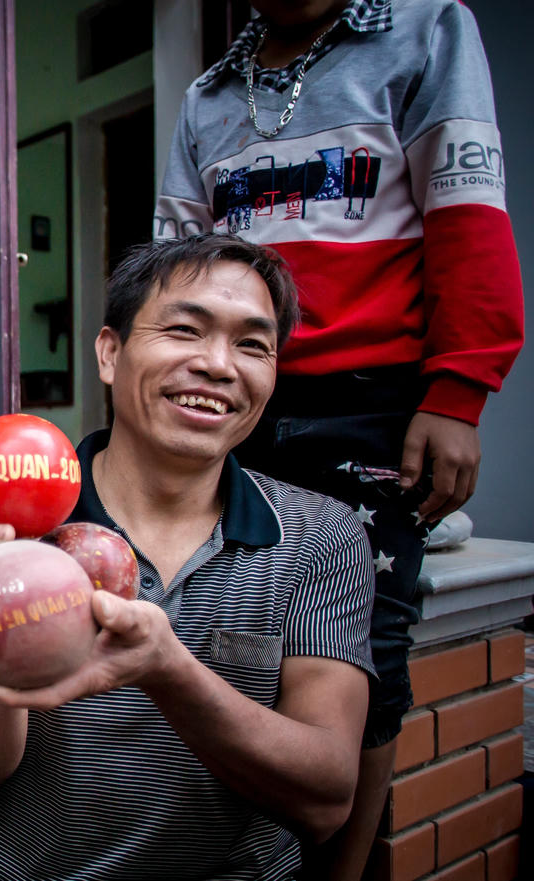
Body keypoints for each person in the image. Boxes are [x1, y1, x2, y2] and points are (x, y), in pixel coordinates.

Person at [152, 1, 523, 874]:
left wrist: (458, 393)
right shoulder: (207, 97)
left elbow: (467, 218)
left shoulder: (426, 32)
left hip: (373, 402)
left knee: (364, 647)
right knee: (233, 622)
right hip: (238, 397)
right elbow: (175, 270)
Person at [0, 234, 375, 879]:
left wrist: (168, 670)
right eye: (185, 330)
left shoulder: (320, 535)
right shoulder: (11, 520)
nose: (218, 365)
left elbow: (326, 801)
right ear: (110, 353)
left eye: (253, 345)